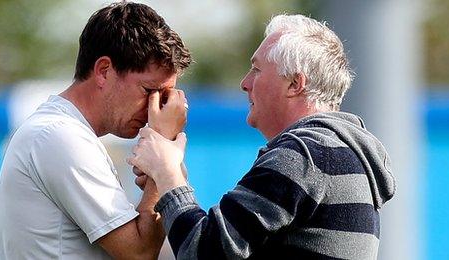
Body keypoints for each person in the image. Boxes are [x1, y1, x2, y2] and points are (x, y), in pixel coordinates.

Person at [128, 14, 396, 259]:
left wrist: (166, 172)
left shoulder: (303, 155)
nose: (245, 82)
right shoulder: (341, 155)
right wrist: (172, 178)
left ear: (295, 84)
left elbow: (204, 251)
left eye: (256, 69)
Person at [0, 2, 192, 259]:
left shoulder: (62, 133)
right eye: (149, 91)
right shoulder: (60, 136)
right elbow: (140, 253)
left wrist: (160, 173)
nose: (154, 109)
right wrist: (163, 155)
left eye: (163, 96)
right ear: (103, 71)